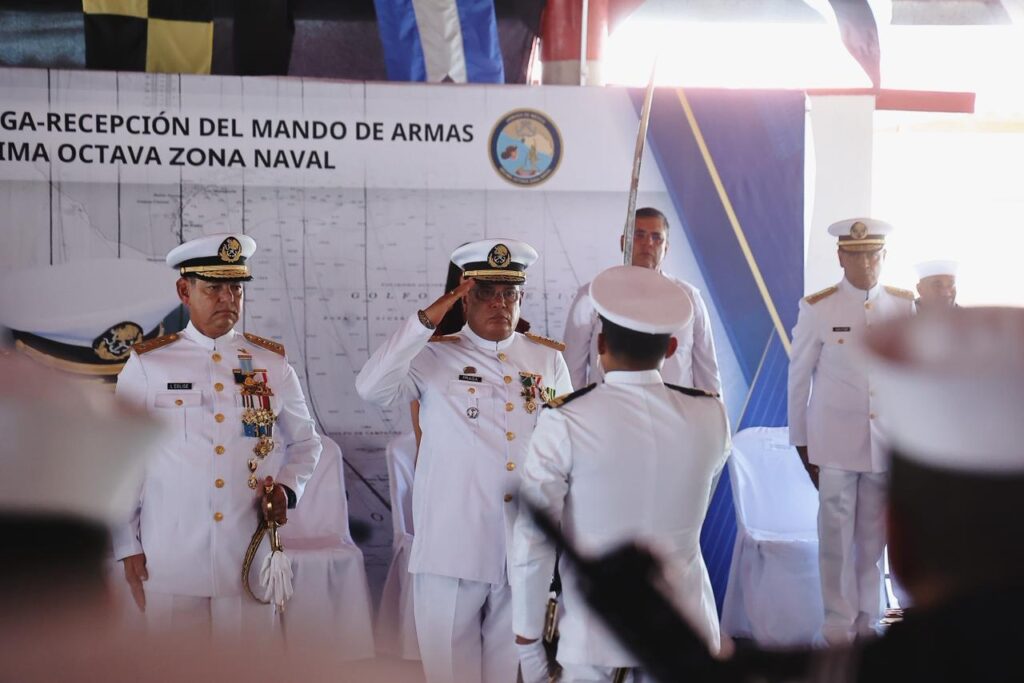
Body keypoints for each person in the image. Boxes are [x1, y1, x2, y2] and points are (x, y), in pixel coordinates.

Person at [356, 238, 572, 683]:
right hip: (452, 547)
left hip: (522, 549)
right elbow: (371, 388)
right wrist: (428, 318)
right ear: (464, 295)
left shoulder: (546, 358)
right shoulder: (431, 355)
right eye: (485, 292)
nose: (499, 303)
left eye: (508, 293)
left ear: (521, 297)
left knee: (505, 674)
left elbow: (565, 445)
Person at [511, 265, 730, 683]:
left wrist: (527, 639)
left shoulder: (566, 420)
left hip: (593, 641)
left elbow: (533, 539)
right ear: (670, 348)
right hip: (686, 641)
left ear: (599, 343)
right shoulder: (710, 415)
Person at [113, 233, 322, 635]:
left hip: (245, 556)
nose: (228, 298)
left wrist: (287, 490)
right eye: (214, 288)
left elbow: (306, 443)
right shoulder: (148, 364)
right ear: (184, 291)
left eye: (235, 288)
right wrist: (127, 546)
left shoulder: (271, 364)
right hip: (171, 556)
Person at [787, 218, 915, 645]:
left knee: (874, 539)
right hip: (835, 444)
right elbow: (798, 376)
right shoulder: (818, 307)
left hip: (883, 445)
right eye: (856, 255)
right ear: (840, 257)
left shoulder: (902, 306)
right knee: (836, 540)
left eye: (873, 254)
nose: (866, 263)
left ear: (884, 257)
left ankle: (869, 621)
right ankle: (837, 628)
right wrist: (802, 443)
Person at [562, 207, 721, 395]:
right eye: (639, 235)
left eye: (656, 237)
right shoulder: (591, 296)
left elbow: (707, 372)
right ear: (624, 242)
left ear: (666, 247)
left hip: (675, 417)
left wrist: (712, 416)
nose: (648, 243)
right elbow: (571, 370)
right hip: (608, 414)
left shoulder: (689, 298)